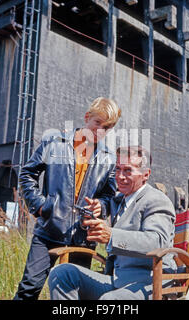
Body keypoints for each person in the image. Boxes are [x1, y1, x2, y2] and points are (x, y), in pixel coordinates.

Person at [14, 97, 121, 300]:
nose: (101, 130)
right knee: (29, 287)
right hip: (48, 231)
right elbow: (27, 174)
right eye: (98, 123)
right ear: (87, 117)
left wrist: (102, 206)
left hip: (82, 237)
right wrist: (40, 206)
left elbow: (110, 196)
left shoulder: (109, 158)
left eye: (107, 127)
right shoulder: (54, 143)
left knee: (76, 293)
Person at [48, 145, 177, 300]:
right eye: (117, 169)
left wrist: (111, 236)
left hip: (150, 282)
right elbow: (104, 206)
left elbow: (158, 242)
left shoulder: (156, 200)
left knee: (109, 301)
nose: (120, 176)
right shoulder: (119, 200)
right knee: (61, 274)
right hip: (117, 280)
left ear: (145, 174)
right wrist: (91, 217)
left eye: (128, 170)